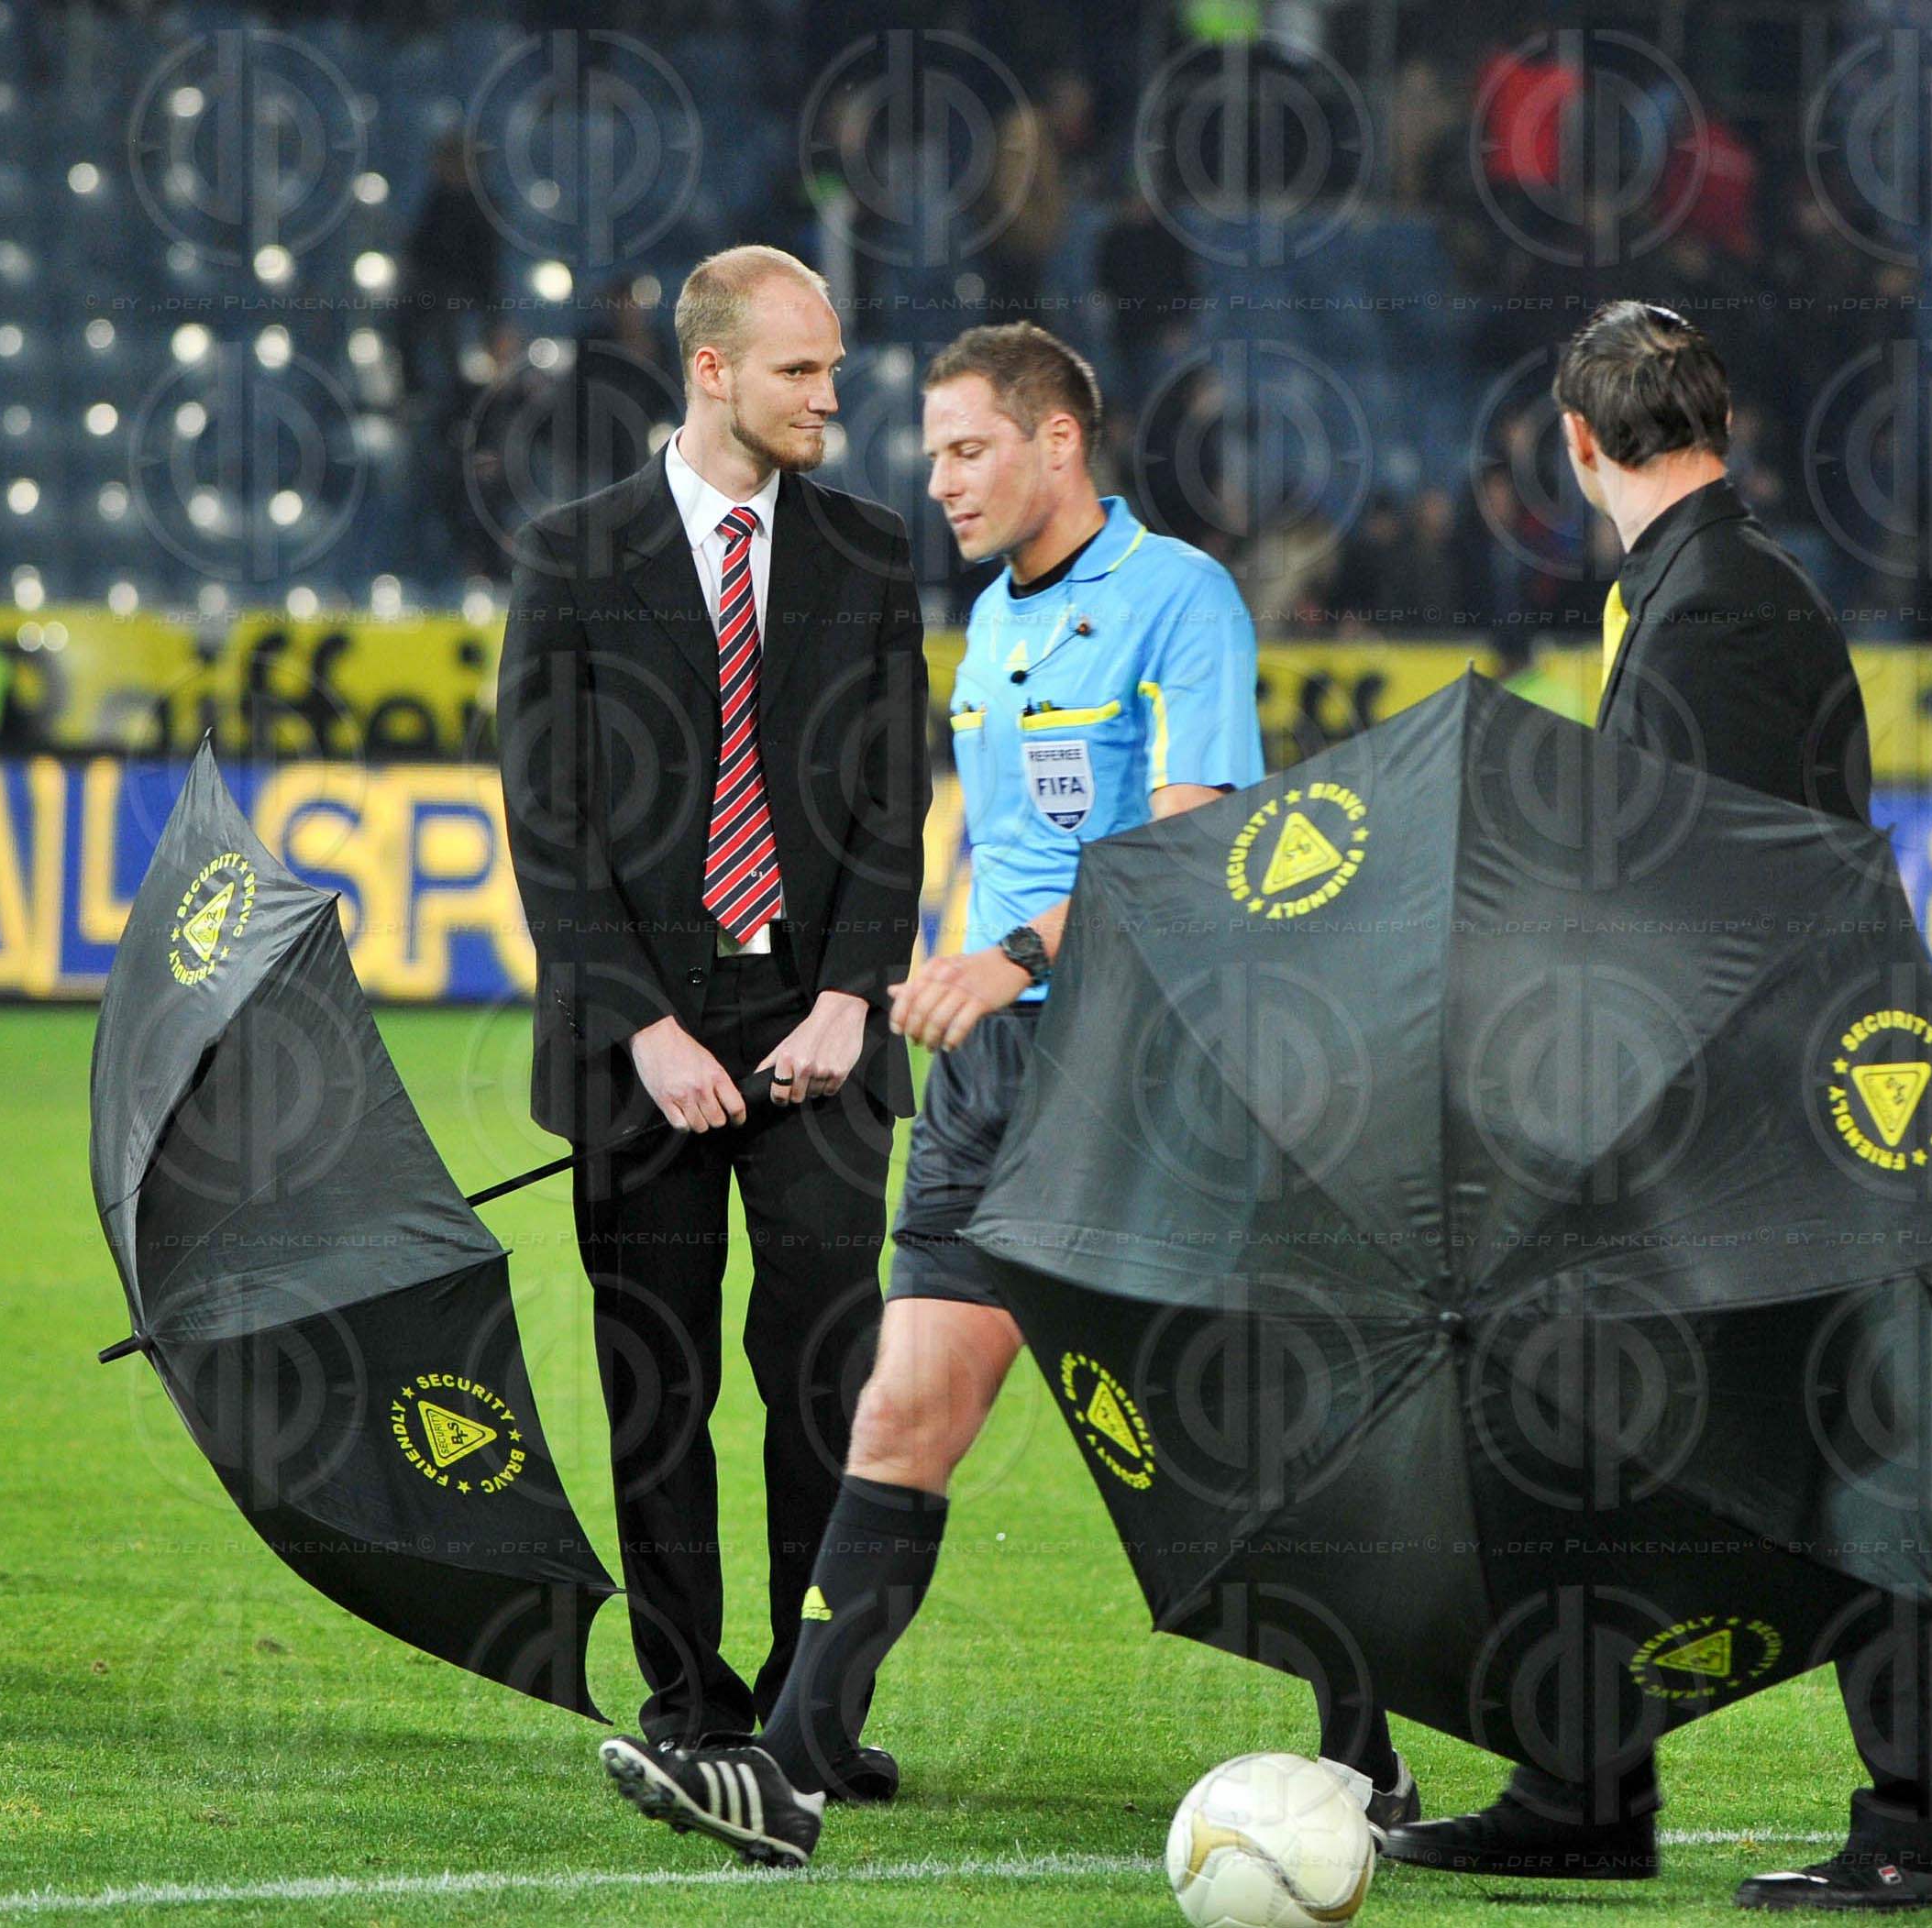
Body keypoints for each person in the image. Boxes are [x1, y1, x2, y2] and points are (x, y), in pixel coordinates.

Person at [598, 322, 1418, 1864]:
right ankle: (790, 1774)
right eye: (932, 455)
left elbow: (1195, 859)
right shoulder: (986, 622)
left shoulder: (1178, 597)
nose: (942, 481)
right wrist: (946, 975)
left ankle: (1367, 1757)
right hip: (992, 1083)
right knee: (904, 1408)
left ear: (1057, 443)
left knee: (1225, 1444)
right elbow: (1014, 853)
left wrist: (1014, 956)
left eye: (968, 448)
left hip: (1139, 1075)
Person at [1382, 302, 1932, 1913]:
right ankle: (1587, 1790)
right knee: (1594, 1433)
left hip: (1748, 1126)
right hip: (1745, 1112)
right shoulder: (1708, 586)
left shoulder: (1711, 608)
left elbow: (1688, 895)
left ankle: (1916, 1825)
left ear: (1576, 441)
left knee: (1810, 1460)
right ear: (1713, 420)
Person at [496, 246, 929, 1788]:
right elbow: (547, 824)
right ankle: (692, 1703)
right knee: (657, 1389)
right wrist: (641, 1026)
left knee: (824, 1385)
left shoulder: (870, 551)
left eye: (832, 368)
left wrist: (848, 996)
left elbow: (894, 801)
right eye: (800, 371)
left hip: (820, 1040)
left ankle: (810, 1711)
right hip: (640, 1049)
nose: (829, 397)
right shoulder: (571, 554)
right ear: (711, 370)